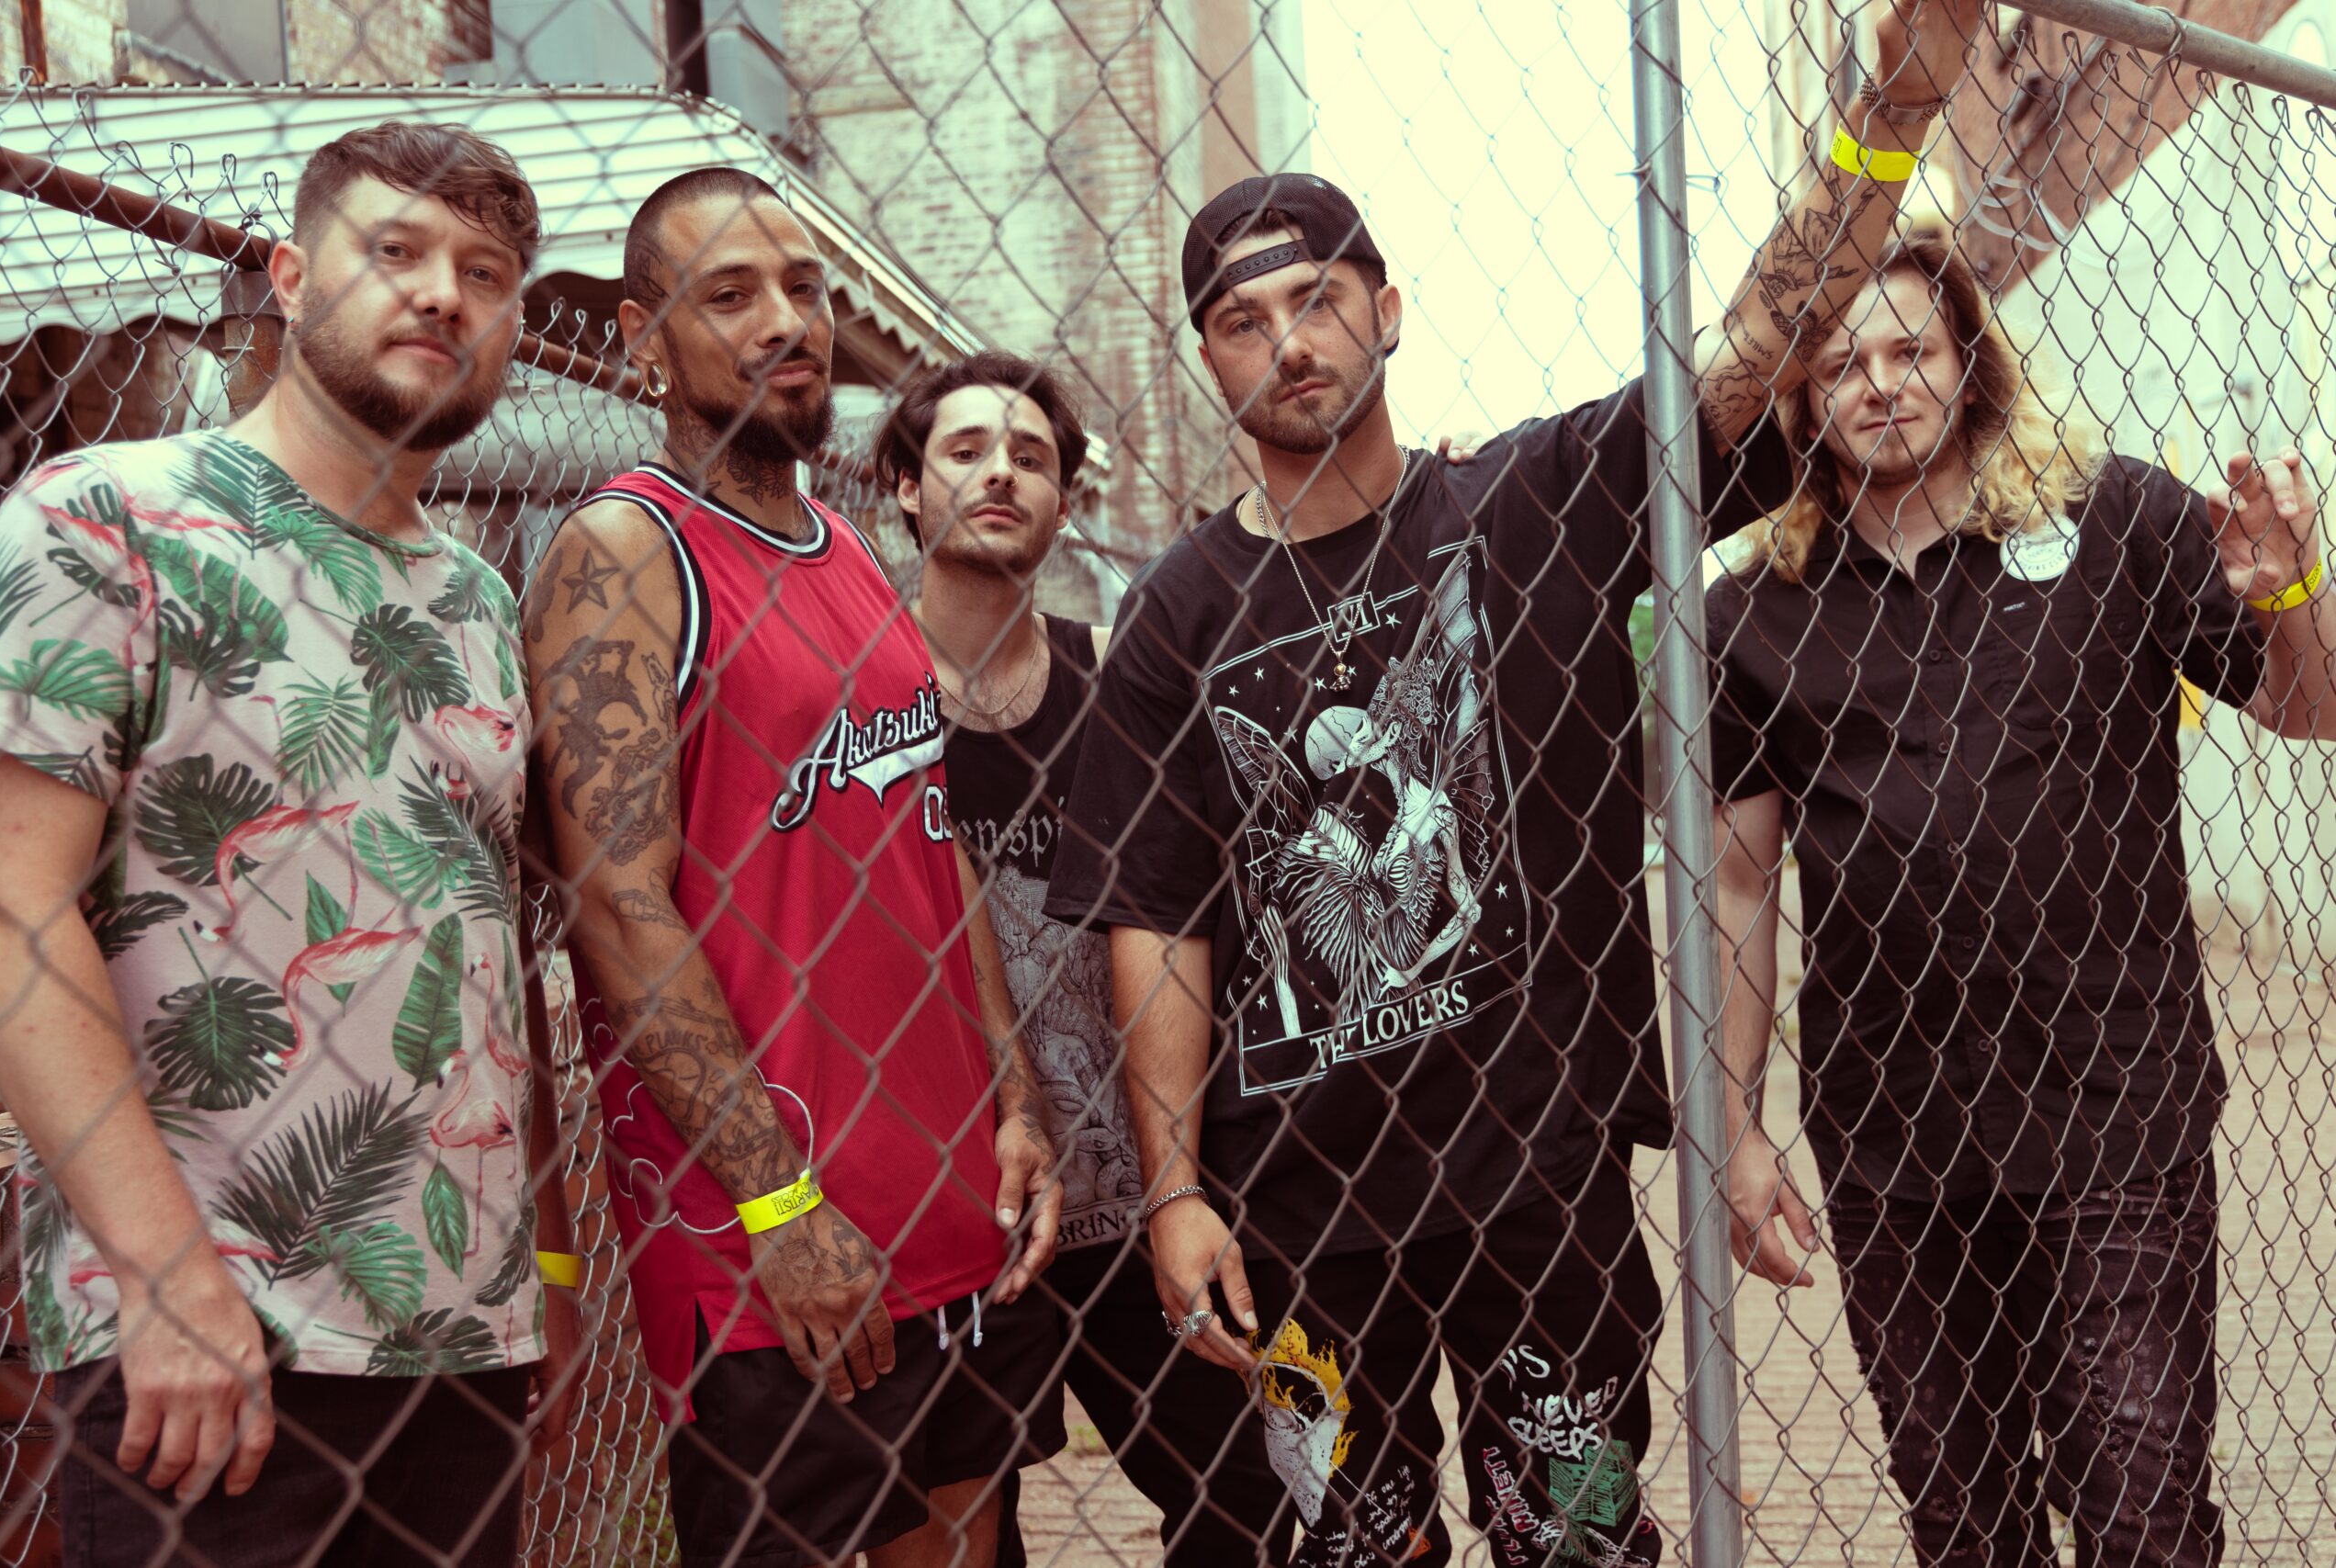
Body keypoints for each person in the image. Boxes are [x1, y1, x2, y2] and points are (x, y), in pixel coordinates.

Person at [1044, 3, 1990, 1562]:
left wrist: (1883, 126)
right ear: (1205, 357)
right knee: (1358, 1554)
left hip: (1534, 1185)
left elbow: (1758, 348)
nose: (1290, 338)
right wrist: (1171, 1194)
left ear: (1389, 310)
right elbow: (1153, 918)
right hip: (1298, 1215)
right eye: (1242, 316)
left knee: (1583, 1543)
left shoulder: (1528, 506)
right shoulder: (1175, 619)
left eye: (1321, 296)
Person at [0, 121, 581, 1565]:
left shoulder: (474, 602)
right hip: (216, 1340)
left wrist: (545, 1261)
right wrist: (164, 1272)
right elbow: (8, 900)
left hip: (462, 1339)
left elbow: (482, 942)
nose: (444, 294)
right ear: (289, 276)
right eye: (397, 252)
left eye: (486, 274)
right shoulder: (105, 520)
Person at [1707, 225, 2336, 1566]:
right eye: (1839, 366)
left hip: (2118, 1113)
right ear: (1800, 406)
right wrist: (1737, 1123)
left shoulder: (2122, 519)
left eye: (1910, 350)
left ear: (1973, 367)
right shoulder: (1756, 610)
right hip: (1898, 1146)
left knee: (2141, 1516)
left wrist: (2295, 595)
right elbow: (1742, 877)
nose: (1880, 384)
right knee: (1968, 1528)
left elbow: (2307, 708)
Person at [522, 167, 1065, 1568]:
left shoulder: (849, 557)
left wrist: (1013, 1099)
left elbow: (931, 853)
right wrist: (779, 1202)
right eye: (731, 293)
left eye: (806, 288)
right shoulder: (626, 552)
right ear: (645, 340)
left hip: (954, 1212)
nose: (788, 322)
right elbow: (618, 905)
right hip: (775, 1259)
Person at [872, 350, 1299, 1565]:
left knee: (1249, 1503)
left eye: (1032, 456)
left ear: (1065, 499)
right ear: (905, 484)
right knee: (963, 1533)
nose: (1000, 472)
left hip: (1131, 1187)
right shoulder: (860, 696)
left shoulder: (1118, 680)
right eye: (964, 450)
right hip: (955, 1198)